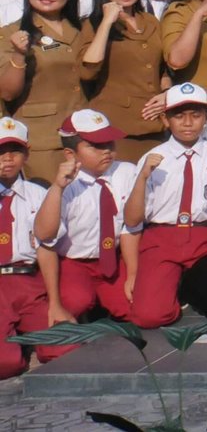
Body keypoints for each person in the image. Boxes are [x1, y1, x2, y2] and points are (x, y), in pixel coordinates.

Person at [125, 83, 207, 328]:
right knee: (149, 316)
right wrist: (143, 178)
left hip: (204, 236)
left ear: (206, 117)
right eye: (179, 116)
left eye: (196, 115)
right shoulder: (152, 158)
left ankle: (193, 287)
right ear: (165, 119)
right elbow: (132, 220)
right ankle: (173, 290)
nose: (188, 123)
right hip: (162, 238)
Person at [35, 110, 137, 327]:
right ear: (70, 154)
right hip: (75, 263)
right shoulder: (66, 186)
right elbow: (44, 236)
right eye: (96, 146)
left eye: (109, 143)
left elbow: (131, 227)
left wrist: (132, 274)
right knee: (74, 303)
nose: (106, 150)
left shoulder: (126, 172)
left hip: (113, 259)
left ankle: (105, 306)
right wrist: (58, 188)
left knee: (137, 307)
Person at [2, 0, 90, 180]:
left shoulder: (82, 30)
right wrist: (18, 54)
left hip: (85, 137)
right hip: (42, 140)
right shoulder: (10, 33)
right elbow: (7, 92)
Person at [80, 0, 166, 160]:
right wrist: (106, 22)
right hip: (116, 128)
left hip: (154, 124)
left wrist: (166, 94)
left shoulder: (151, 21)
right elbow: (87, 71)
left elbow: (162, 68)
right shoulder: (92, 24)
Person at [0, 118, 51, 378]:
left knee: (64, 349)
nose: (7, 158)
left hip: (28, 279)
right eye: (0, 152)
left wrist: (56, 300)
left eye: (15, 150)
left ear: (27, 153)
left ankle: (26, 338)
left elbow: (48, 247)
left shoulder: (38, 194)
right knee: (6, 364)